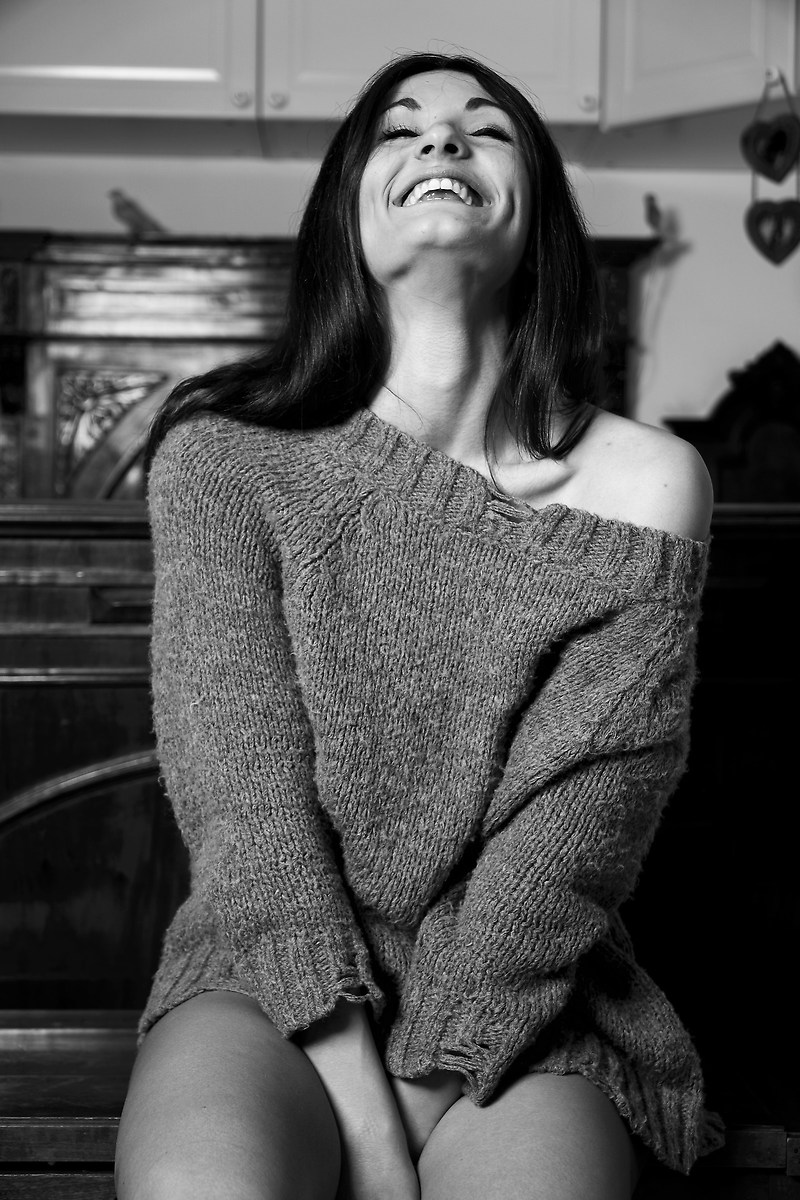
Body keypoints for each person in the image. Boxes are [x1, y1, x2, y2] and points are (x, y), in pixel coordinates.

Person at [115, 50, 724, 1200]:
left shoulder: (647, 486)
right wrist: (369, 1127)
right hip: (267, 969)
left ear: (537, 214)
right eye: (398, 130)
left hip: (525, 998)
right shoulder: (222, 459)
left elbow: (570, 839)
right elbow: (245, 807)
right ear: (344, 213)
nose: (441, 141)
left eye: (484, 129)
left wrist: (426, 1085)